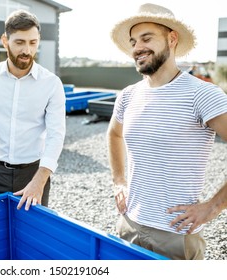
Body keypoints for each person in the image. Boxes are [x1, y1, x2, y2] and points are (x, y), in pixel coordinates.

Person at [107, 3, 227, 260]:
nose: (137, 47)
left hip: (176, 235)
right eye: (133, 41)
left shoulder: (202, 94)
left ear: (172, 38)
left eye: (147, 38)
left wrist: (212, 207)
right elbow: (114, 135)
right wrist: (119, 182)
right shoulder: (128, 95)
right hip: (129, 224)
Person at [0, 10, 66, 215]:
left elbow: (56, 135)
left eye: (33, 42)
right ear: (5, 40)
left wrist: (40, 181)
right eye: (19, 42)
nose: (27, 50)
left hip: (34, 174)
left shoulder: (52, 84)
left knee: (32, 237)